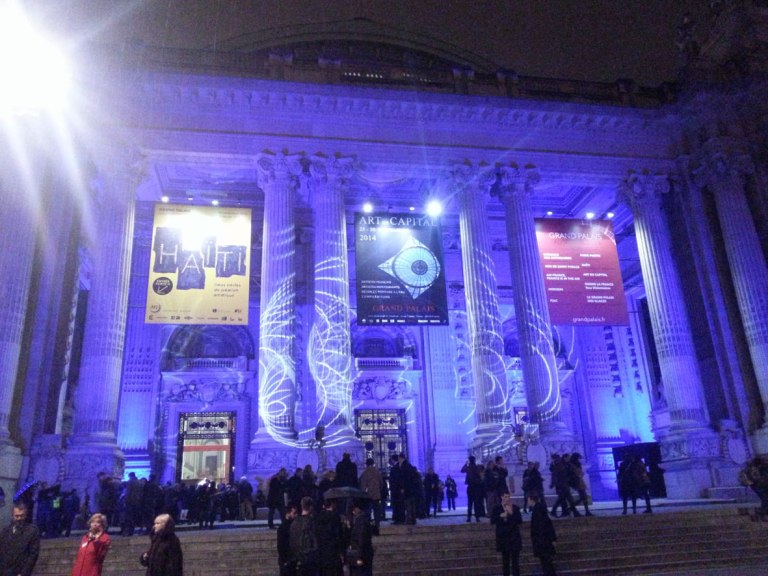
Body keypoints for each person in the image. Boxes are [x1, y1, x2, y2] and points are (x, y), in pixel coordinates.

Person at [0, 503, 40, 576]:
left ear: (25, 515)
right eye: (17, 516)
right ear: (12, 516)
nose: (19, 518)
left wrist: (24, 573)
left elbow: (33, 554)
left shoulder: (32, 531)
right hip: (5, 571)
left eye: (22, 516)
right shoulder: (5, 531)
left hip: (20, 572)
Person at [491, 493, 523, 576]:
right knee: (505, 562)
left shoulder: (515, 508)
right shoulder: (496, 508)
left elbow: (519, 521)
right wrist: (500, 516)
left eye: (509, 497)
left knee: (515, 562)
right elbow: (492, 521)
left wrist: (511, 513)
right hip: (503, 539)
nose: (507, 499)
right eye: (505, 497)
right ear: (501, 497)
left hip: (514, 538)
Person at [289, 496, 319, 576]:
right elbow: (315, 540)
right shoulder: (312, 522)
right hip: (310, 560)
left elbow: (292, 541)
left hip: (298, 559)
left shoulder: (294, 523)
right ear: (310, 507)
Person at [529, 492, 557, 576]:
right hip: (544, 541)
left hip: (542, 541)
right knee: (547, 563)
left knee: (546, 563)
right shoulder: (539, 508)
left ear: (531, 500)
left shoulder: (537, 510)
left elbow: (543, 526)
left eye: (528, 500)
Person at [346, 500, 374, 576]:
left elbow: (362, 539)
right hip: (362, 553)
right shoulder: (361, 520)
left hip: (362, 554)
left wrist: (359, 556)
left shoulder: (361, 521)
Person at [461, 455, 483, 522]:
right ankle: (477, 517)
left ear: (469, 460)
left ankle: (469, 517)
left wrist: (465, 463)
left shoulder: (468, 467)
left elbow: (462, 470)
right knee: (476, 502)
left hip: (470, 486)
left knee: (470, 503)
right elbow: (482, 469)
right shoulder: (477, 467)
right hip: (476, 486)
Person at [277, 505, 298, 576]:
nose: (296, 515)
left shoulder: (293, 525)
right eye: (294, 513)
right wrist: (284, 560)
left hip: (291, 559)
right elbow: (280, 545)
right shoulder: (283, 527)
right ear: (288, 513)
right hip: (287, 559)